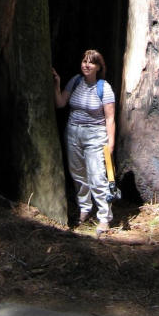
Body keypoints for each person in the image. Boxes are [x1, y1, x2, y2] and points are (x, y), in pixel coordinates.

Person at [52, 49, 116, 234]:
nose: (86, 65)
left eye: (91, 62)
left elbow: (110, 119)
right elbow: (60, 103)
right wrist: (57, 85)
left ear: (98, 67)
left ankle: (104, 217)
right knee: (78, 174)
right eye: (84, 61)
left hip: (96, 136)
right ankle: (84, 209)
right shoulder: (75, 81)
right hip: (73, 133)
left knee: (97, 176)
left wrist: (110, 144)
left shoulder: (104, 88)